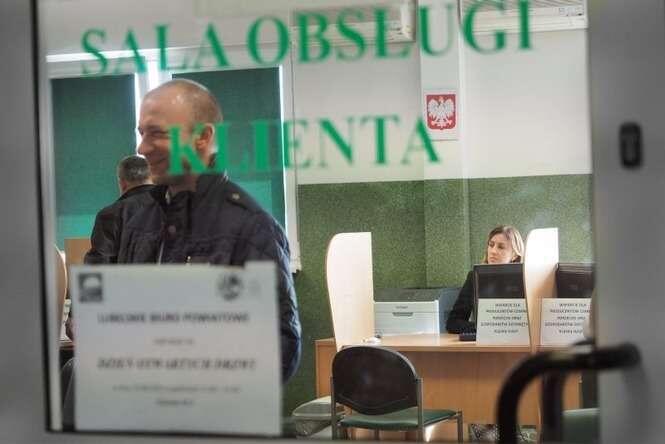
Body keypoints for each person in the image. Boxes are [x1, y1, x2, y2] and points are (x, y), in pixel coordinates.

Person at [95, 78, 301, 382]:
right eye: (141, 133)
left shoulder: (250, 227)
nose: (142, 147)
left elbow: (280, 350)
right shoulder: (138, 222)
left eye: (158, 133)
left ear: (203, 137)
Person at [446, 225, 525, 334]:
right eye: (491, 245)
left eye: (501, 247)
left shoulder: (526, 279)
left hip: (517, 339)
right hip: (484, 340)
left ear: (514, 255)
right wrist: (484, 328)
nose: (493, 251)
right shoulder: (474, 277)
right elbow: (453, 322)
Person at [83, 154, 155, 265]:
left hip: (126, 277)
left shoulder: (110, 215)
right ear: (153, 178)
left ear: (122, 183)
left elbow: (98, 265)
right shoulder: (172, 208)